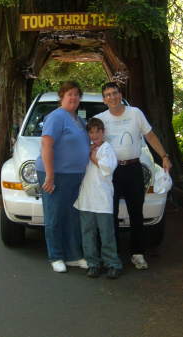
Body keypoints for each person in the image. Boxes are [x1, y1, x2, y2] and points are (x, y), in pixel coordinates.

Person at [96, 82, 172, 270]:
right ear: (104, 100)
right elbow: (91, 143)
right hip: (111, 172)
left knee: (136, 212)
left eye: (114, 93)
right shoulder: (100, 119)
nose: (112, 97)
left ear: (120, 94)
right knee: (110, 213)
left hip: (133, 169)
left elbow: (151, 136)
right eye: (107, 95)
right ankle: (112, 255)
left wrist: (163, 156)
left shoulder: (135, 113)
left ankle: (137, 253)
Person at [35, 81, 90, 273]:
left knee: (73, 216)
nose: (73, 98)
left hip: (75, 176)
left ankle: (74, 256)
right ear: (62, 97)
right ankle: (56, 256)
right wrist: (49, 175)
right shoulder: (56, 117)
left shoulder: (77, 119)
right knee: (55, 216)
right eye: (69, 94)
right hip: (55, 174)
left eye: (76, 94)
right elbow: (46, 145)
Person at [74, 118, 123, 279]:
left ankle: (113, 264)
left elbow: (108, 168)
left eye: (97, 131)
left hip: (103, 200)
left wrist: (94, 158)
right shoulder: (86, 149)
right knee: (88, 233)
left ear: (103, 132)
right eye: (91, 132)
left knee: (106, 234)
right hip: (86, 199)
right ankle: (93, 263)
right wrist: (88, 153)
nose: (94, 135)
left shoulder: (107, 148)